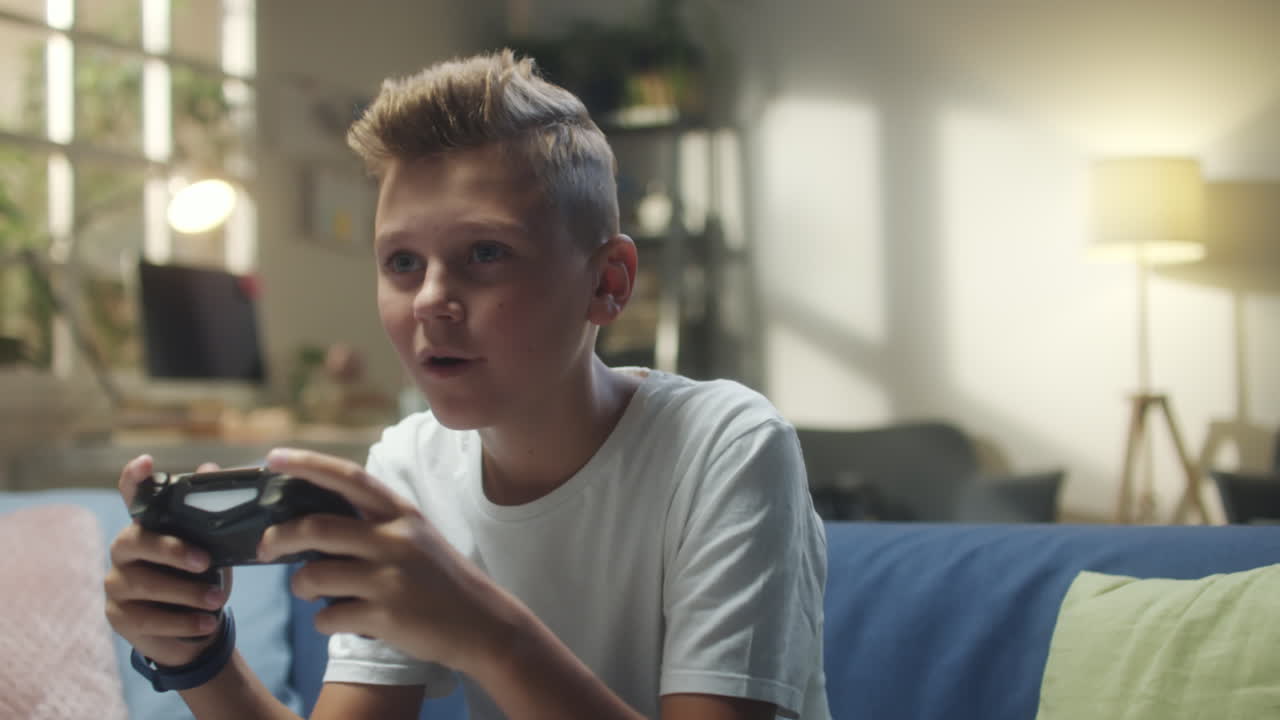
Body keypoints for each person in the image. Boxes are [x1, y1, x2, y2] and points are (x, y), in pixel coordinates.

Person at [104, 49, 829, 720]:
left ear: (608, 284)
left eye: (485, 252)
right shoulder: (408, 467)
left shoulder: (728, 445)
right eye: (402, 263)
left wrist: (484, 631)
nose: (429, 300)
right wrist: (196, 657)